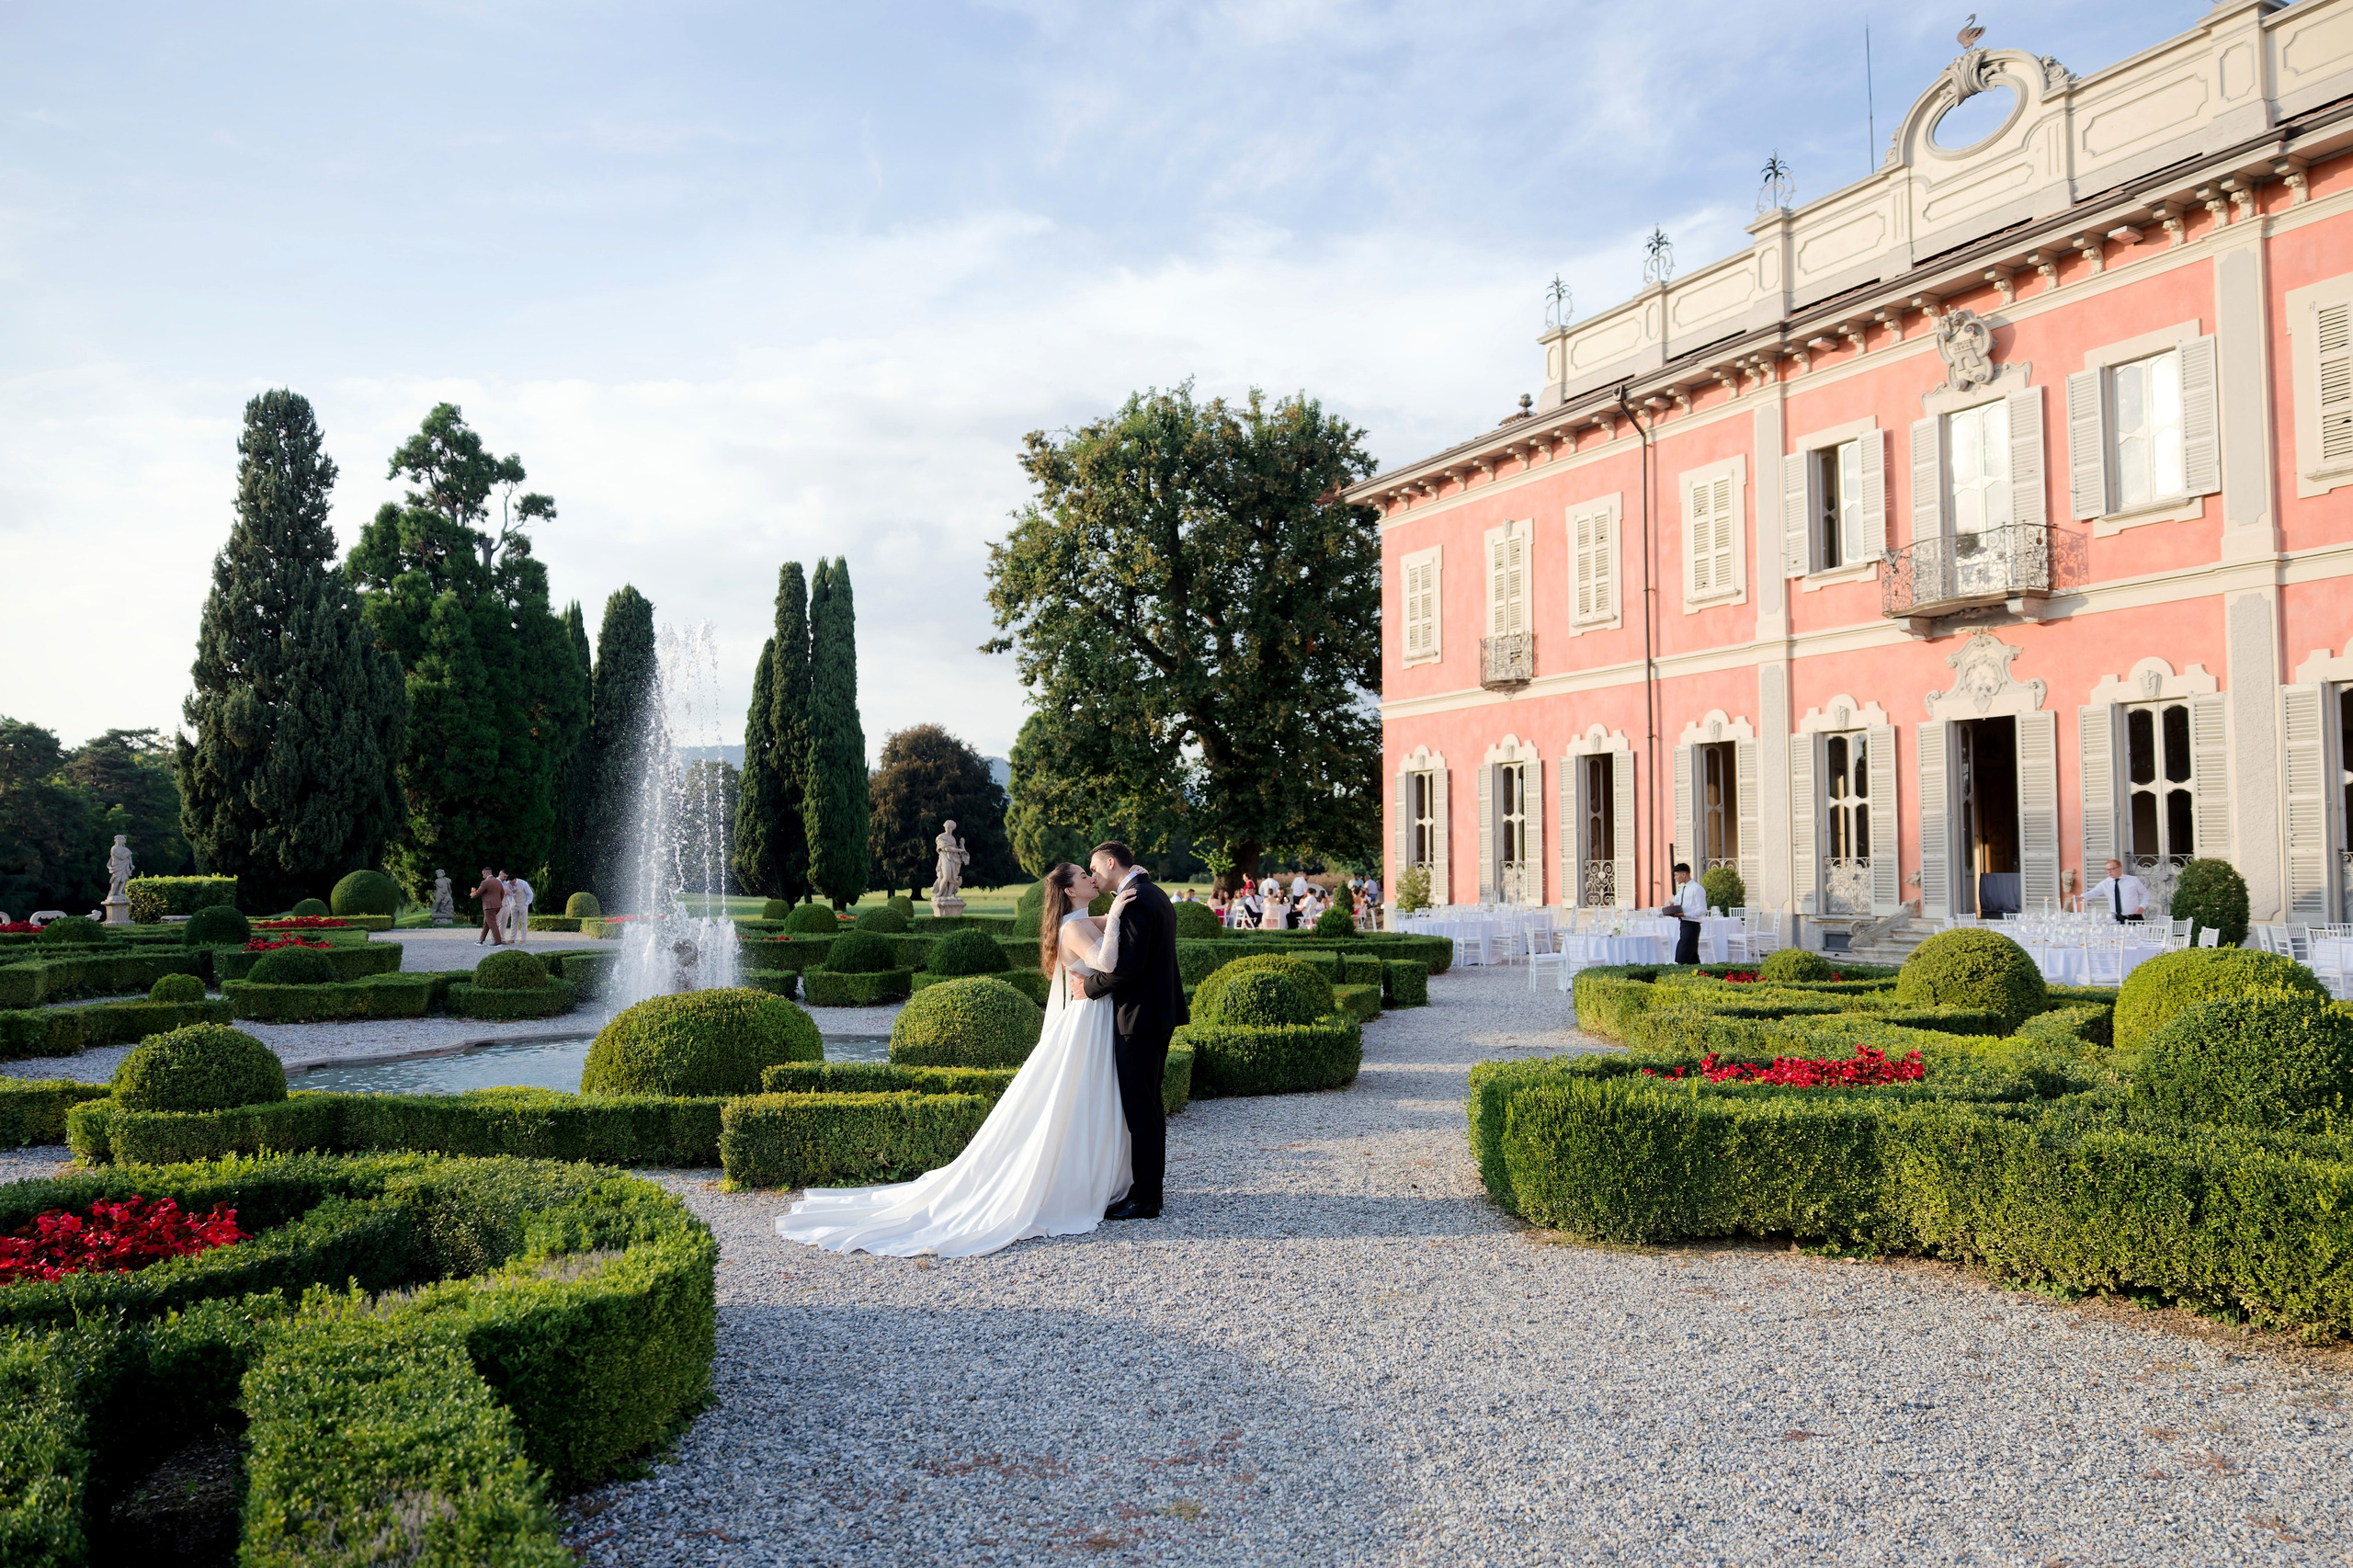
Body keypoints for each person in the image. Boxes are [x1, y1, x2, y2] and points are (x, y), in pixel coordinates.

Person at [776, 860, 1138, 1256]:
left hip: (1096, 1018)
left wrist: (1120, 905)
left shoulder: (1083, 921)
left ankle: (1095, 1178)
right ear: (1070, 890)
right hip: (1086, 1023)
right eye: (1084, 876)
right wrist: (1118, 912)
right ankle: (1072, 1181)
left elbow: (1108, 927)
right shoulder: (1073, 928)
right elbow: (1105, 962)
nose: (1091, 877)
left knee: (1090, 1099)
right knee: (1079, 1097)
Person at [1074, 841, 1187, 1220]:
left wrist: (1086, 989)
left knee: (1142, 1109)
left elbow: (1127, 969)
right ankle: (1148, 1191)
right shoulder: (1150, 893)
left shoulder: (1137, 899)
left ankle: (1146, 1199)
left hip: (1139, 1019)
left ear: (1111, 863)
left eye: (1095, 868)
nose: (1092, 876)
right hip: (1155, 1014)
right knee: (1149, 1107)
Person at [2085, 858, 2148, 922]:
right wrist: (2081, 897)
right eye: (2107, 870)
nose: (2109, 872)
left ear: (2120, 868)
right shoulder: (2105, 883)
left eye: (2112, 869)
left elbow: (2145, 893)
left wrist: (2142, 906)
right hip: (2116, 919)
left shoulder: (2133, 880)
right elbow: (2093, 893)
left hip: (2134, 917)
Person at [1670, 861, 1706, 964]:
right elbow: (1675, 900)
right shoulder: (1684, 889)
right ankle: (1699, 975)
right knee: (1692, 957)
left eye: (1676, 875)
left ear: (1684, 874)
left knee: (1683, 955)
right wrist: (1670, 904)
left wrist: (1685, 914)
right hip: (1684, 924)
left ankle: (1681, 976)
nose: (1675, 878)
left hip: (1692, 925)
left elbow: (1703, 909)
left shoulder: (1697, 889)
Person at [472, 868, 506, 946]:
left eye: (483, 874)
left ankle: (498, 942)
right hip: (497, 906)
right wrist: (498, 902)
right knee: (486, 923)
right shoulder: (498, 882)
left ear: (486, 873)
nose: (482, 876)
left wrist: (473, 895)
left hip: (489, 906)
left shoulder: (485, 882)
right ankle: (480, 941)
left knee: (492, 924)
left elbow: (478, 893)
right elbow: (502, 893)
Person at [509, 870, 534, 945]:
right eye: (511, 883)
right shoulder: (508, 884)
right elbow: (507, 894)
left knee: (523, 922)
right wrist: (510, 902)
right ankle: (512, 938)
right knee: (513, 922)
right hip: (514, 905)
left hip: (522, 904)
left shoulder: (523, 883)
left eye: (513, 882)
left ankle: (523, 939)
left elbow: (530, 894)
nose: (512, 884)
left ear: (515, 879)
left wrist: (526, 903)